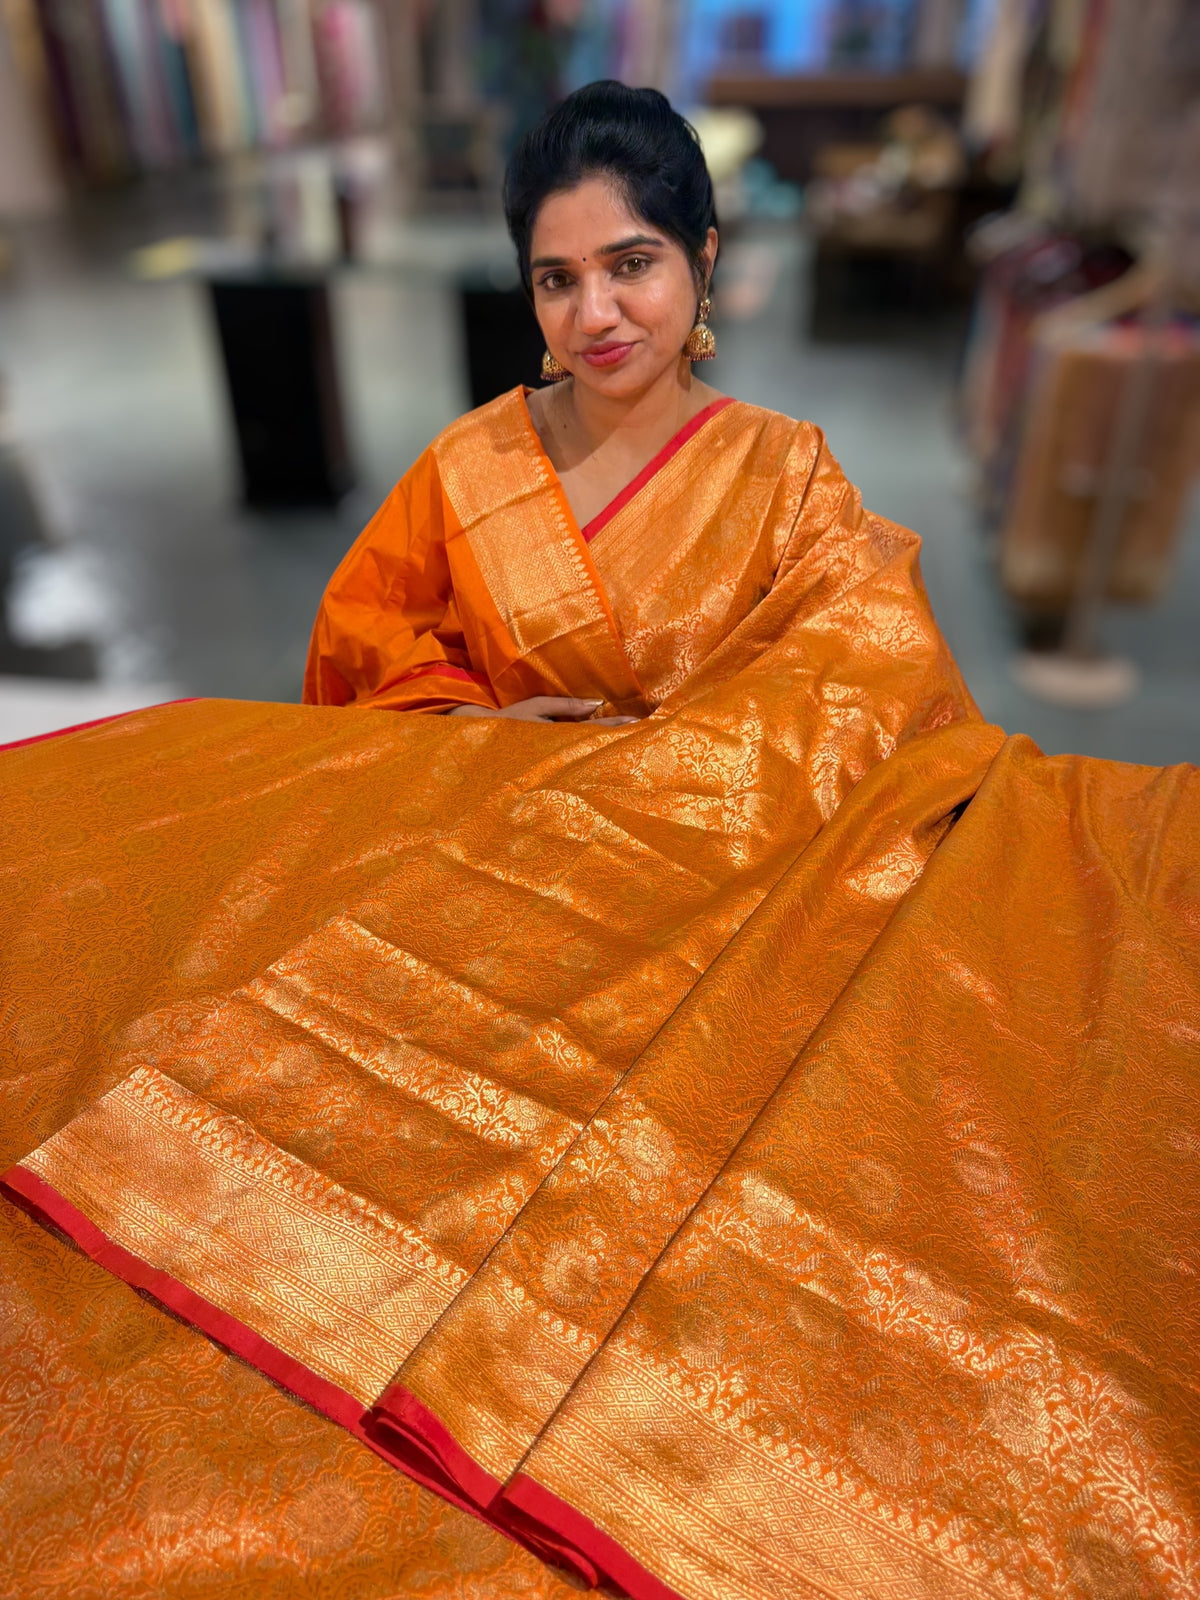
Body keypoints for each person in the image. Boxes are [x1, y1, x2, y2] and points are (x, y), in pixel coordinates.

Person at [1, 83, 1198, 1600]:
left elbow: (866, 685)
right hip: (496, 870)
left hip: (718, 882)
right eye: (556, 279)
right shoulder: (470, 467)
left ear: (704, 260)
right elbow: (374, 647)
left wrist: (662, 775)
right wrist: (478, 725)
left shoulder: (786, 474)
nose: (597, 313)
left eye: (632, 264)